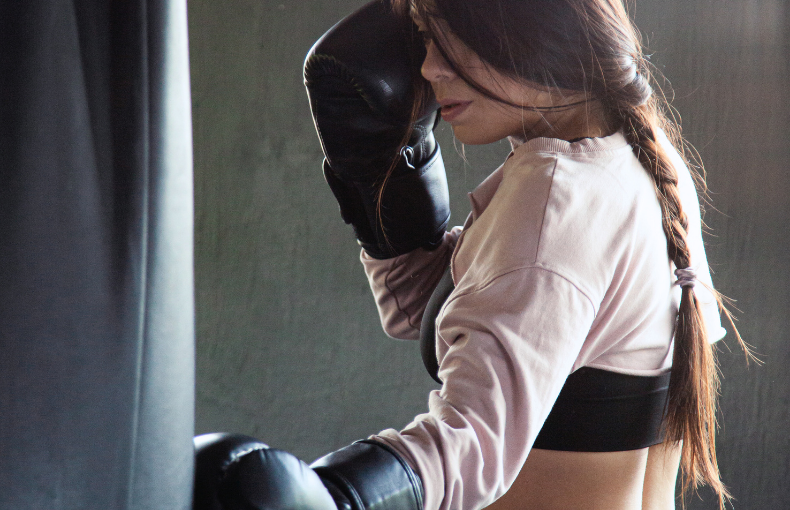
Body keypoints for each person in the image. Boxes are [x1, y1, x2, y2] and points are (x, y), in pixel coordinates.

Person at [193, 1, 750, 510]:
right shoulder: (635, 156)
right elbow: (427, 312)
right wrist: (387, 175)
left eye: (451, 39)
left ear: (535, 30)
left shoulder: (556, 198)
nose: (428, 68)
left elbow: (474, 443)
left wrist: (335, 497)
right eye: (424, 39)